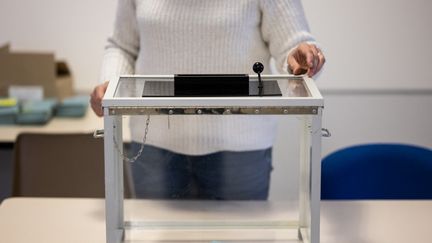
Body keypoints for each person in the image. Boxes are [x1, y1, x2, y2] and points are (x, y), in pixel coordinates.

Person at [90, 0, 325, 200]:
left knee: (239, 237)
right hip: (154, 148)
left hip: (240, 151)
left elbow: (294, 47)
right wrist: (110, 85)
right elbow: (122, 46)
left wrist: (303, 60)